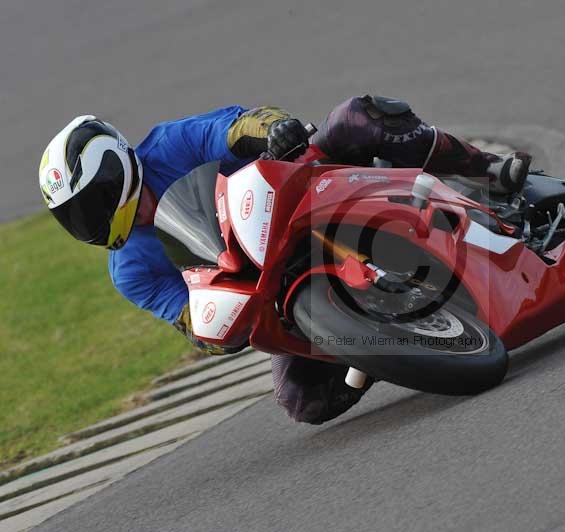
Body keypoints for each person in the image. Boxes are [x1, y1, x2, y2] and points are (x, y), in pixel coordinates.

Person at [37, 95, 532, 424]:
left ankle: (483, 169)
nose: (90, 223)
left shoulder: (169, 143)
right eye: (74, 217)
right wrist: (209, 328)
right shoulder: (130, 271)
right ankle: (383, 349)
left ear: (114, 168)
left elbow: (234, 128)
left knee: (356, 118)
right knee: (302, 402)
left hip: (297, 199)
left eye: (91, 203)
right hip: (271, 292)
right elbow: (188, 319)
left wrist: (272, 131)